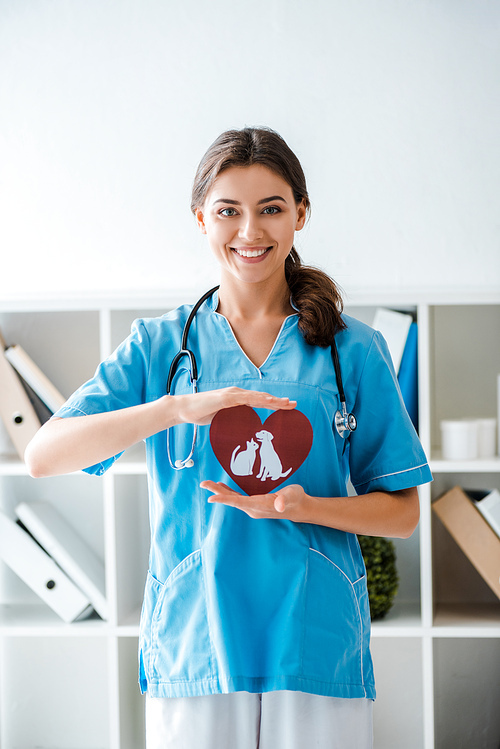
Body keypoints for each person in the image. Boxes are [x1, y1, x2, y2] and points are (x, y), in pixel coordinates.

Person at [25, 126, 432, 749]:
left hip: (314, 635)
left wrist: (309, 508)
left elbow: (403, 513)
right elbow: (44, 454)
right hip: (196, 638)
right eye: (228, 211)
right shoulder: (161, 347)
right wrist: (177, 408)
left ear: (301, 214)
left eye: (271, 209)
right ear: (200, 219)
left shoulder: (354, 350)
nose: (250, 231)